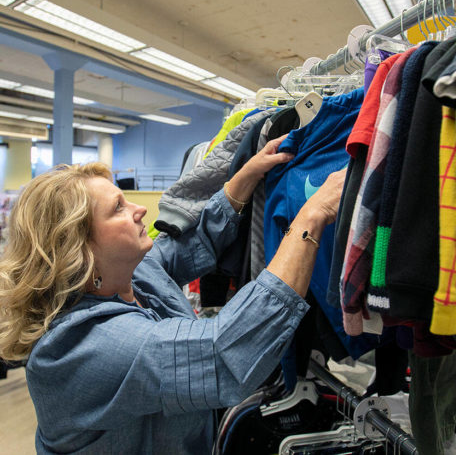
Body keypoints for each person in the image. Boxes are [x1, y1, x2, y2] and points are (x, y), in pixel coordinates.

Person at [0, 135, 346, 454]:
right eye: (117, 208)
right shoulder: (83, 347)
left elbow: (191, 244)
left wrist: (245, 177)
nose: (138, 209)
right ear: (80, 249)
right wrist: (310, 218)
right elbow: (224, 354)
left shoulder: (131, 276)